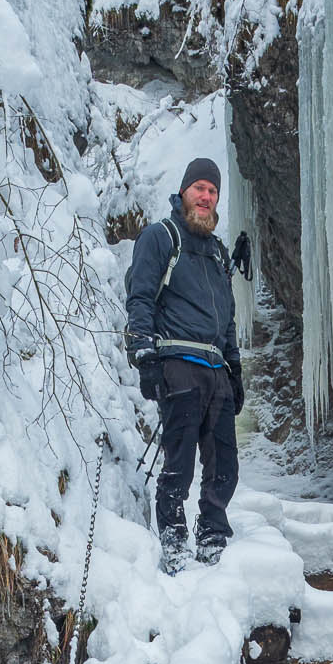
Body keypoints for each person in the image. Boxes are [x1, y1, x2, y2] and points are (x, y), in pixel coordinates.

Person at [126, 157, 245, 571]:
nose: (206, 197)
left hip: (216, 371)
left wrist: (235, 366)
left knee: (224, 462)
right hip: (177, 361)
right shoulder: (161, 237)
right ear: (183, 192)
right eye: (199, 188)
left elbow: (226, 317)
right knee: (179, 460)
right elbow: (140, 297)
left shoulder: (217, 254)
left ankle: (212, 534)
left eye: (212, 191)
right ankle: (175, 540)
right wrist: (144, 354)